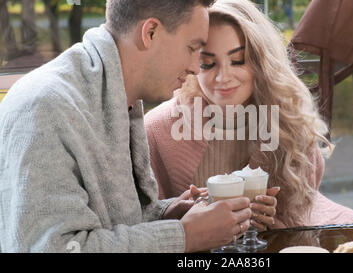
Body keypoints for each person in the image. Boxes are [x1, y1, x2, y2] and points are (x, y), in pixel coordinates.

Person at [0, 0, 253, 253]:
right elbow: (55, 248)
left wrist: (169, 213)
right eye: (192, 48)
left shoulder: (116, 95)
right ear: (150, 32)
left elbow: (113, 220)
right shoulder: (46, 107)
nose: (194, 68)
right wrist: (184, 236)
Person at [144, 0, 353, 230]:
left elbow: (302, 213)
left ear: (261, 61)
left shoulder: (288, 121)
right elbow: (147, 220)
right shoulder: (156, 130)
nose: (223, 77)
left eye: (238, 60)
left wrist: (273, 224)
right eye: (208, 63)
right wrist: (181, 213)